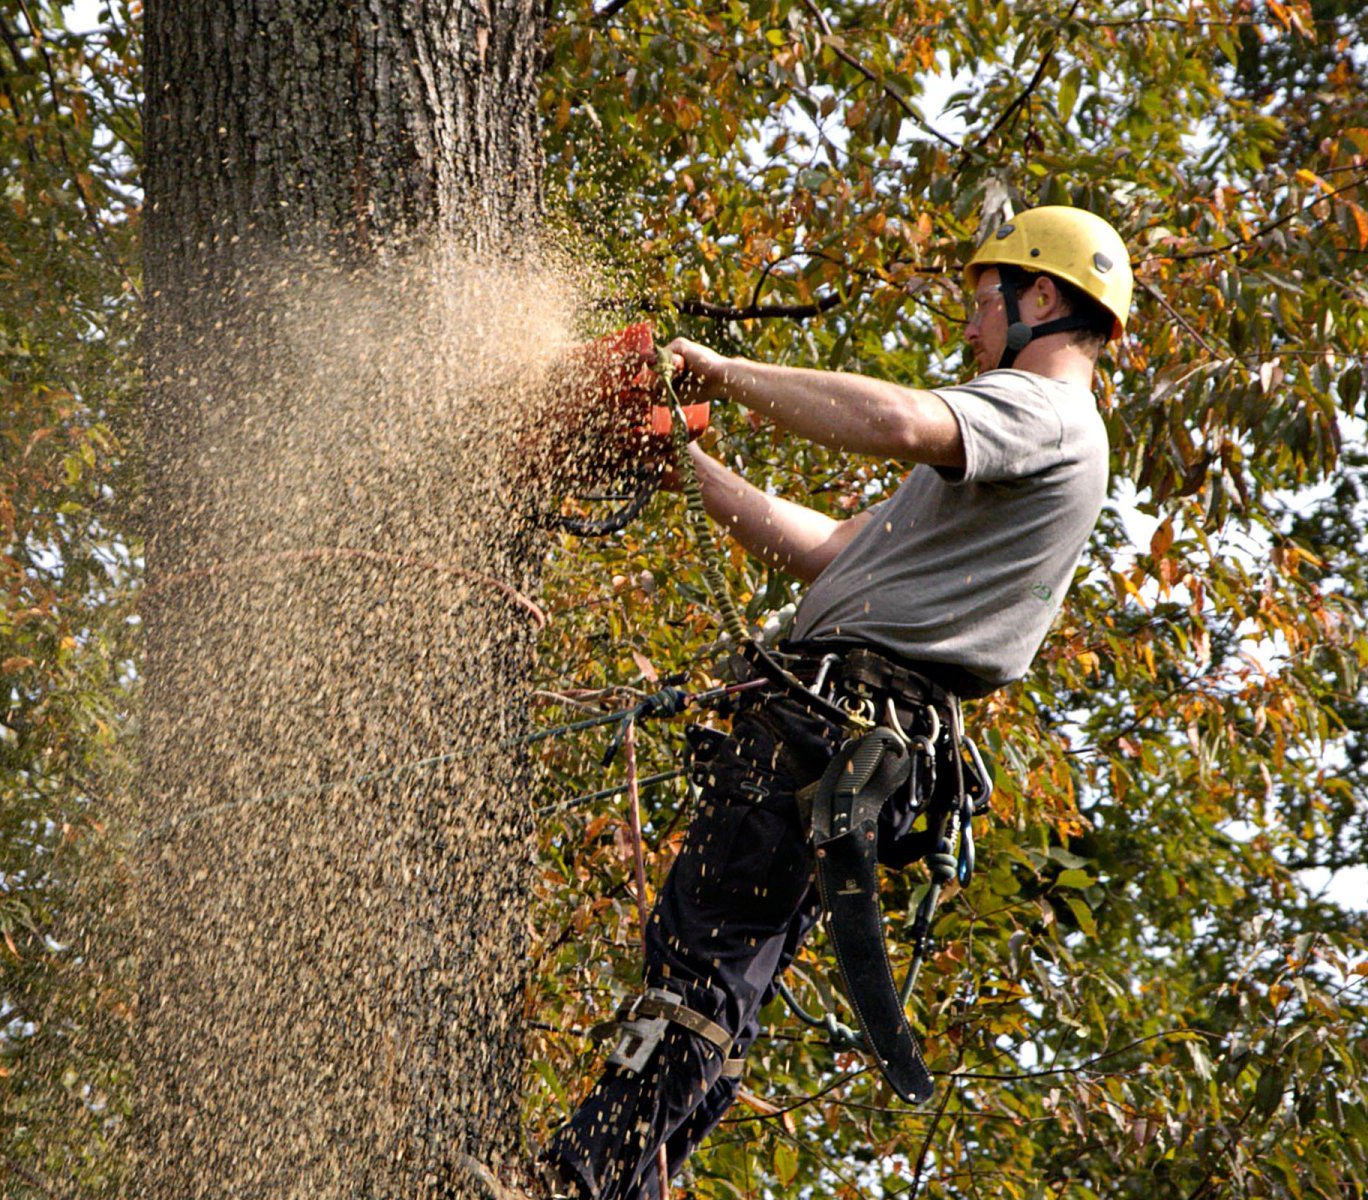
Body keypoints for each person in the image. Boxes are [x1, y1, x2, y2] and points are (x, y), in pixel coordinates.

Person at [480, 206, 1134, 1200]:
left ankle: (570, 1185)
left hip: (835, 727)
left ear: (1038, 297)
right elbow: (830, 546)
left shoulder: (1039, 413)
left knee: (700, 972)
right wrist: (675, 458)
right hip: (842, 737)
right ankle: (622, 1186)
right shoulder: (1028, 447)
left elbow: (901, 421)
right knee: (722, 988)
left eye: (980, 301)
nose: (968, 327)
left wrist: (720, 374)